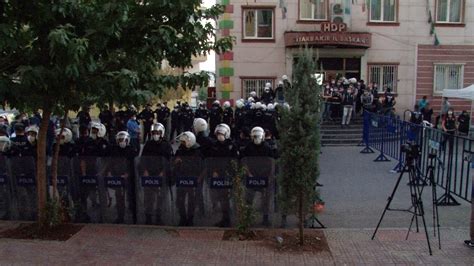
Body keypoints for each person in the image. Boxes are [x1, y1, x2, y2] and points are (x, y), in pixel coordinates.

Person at [141, 123, 173, 225]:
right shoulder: (148, 144)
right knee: (148, 198)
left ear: (161, 133)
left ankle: (159, 217)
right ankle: (148, 217)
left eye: (157, 132)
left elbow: (169, 160)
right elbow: (143, 159)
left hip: (161, 175)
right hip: (149, 174)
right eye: (154, 132)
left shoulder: (166, 145)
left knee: (160, 198)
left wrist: (163, 172)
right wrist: (144, 170)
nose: (155, 134)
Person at [207, 124, 238, 227]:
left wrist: (232, 173)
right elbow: (211, 160)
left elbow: (234, 161)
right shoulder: (214, 145)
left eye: (221, 134)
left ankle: (228, 219)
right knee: (221, 198)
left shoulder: (232, 145)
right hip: (218, 175)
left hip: (228, 175)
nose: (219, 136)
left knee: (227, 198)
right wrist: (214, 171)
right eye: (218, 134)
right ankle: (225, 218)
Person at [107, 131, 138, 223]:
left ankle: (134, 217)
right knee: (119, 197)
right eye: (120, 140)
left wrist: (128, 173)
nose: (122, 141)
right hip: (118, 176)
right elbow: (111, 162)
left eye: (123, 140)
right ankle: (120, 216)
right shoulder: (114, 150)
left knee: (131, 197)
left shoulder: (131, 150)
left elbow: (134, 164)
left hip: (129, 178)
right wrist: (110, 172)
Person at [174, 131, 202, 226]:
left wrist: (199, 178)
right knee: (180, 200)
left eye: (183, 142)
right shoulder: (180, 150)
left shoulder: (197, 151)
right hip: (181, 178)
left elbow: (201, 166)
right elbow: (173, 163)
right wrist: (176, 162)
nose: (181, 144)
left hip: (192, 178)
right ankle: (182, 218)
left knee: (192, 200)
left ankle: (190, 219)